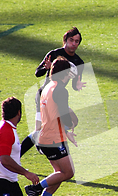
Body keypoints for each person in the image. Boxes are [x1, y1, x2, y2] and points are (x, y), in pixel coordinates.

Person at [20, 27, 86, 156]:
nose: (73, 44)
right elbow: (37, 73)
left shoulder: (79, 62)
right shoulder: (54, 54)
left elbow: (73, 85)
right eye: (71, 40)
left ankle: (50, 143)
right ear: (65, 40)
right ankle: (20, 154)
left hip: (58, 97)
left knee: (73, 120)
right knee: (39, 130)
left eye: (76, 41)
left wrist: (77, 85)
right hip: (44, 96)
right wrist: (48, 69)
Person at [24, 57, 78, 196]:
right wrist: (70, 127)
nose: (69, 76)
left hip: (46, 137)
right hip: (53, 138)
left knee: (58, 174)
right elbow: (63, 114)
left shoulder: (47, 87)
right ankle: (35, 189)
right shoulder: (61, 89)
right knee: (68, 173)